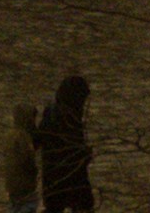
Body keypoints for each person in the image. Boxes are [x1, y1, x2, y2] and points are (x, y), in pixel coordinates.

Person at [33, 74, 94, 213]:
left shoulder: (51, 114)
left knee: (54, 207)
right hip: (72, 178)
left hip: (52, 179)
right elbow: (72, 150)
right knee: (83, 206)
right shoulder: (69, 118)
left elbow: (37, 142)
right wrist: (85, 155)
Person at [3, 105, 44, 213]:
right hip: (24, 183)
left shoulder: (10, 135)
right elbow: (27, 159)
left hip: (11, 183)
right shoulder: (23, 137)